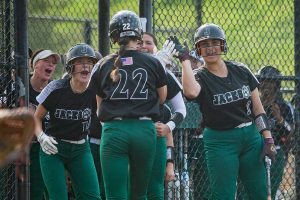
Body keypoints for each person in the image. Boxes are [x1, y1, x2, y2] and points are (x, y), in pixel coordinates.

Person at [172, 23, 277, 199]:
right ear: (198, 49)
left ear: (222, 45)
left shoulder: (241, 70)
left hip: (251, 138)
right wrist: (184, 61)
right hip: (220, 141)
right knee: (223, 195)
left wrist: (268, 138)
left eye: (215, 43)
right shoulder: (199, 75)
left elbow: (258, 110)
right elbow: (190, 92)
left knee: (259, 193)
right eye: (204, 44)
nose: (210, 48)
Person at [88, 10, 167, 199]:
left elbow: (98, 105)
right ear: (138, 35)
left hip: (114, 130)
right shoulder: (153, 62)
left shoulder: (104, 64)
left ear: (114, 37)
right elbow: (162, 97)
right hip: (144, 129)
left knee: (115, 194)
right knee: (139, 194)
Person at [34, 43, 101, 200]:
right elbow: (36, 118)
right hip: (53, 148)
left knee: (92, 196)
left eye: (89, 62)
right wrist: (41, 136)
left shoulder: (95, 91)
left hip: (80, 149)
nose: (85, 66)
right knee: (58, 197)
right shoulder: (56, 89)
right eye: (80, 62)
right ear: (70, 67)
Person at [140, 32, 187, 199]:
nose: (144, 46)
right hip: (131, 136)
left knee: (155, 189)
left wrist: (168, 126)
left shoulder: (166, 75)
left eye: (149, 43)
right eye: (140, 42)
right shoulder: (123, 69)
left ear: (156, 47)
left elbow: (181, 110)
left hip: (156, 138)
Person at [257, 65, 295, 199]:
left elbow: (291, 132)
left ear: (276, 84)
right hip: (254, 149)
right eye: (263, 81)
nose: (266, 84)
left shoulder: (283, 106)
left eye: (271, 81)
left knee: (270, 191)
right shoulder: (254, 104)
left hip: (276, 151)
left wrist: (280, 119)